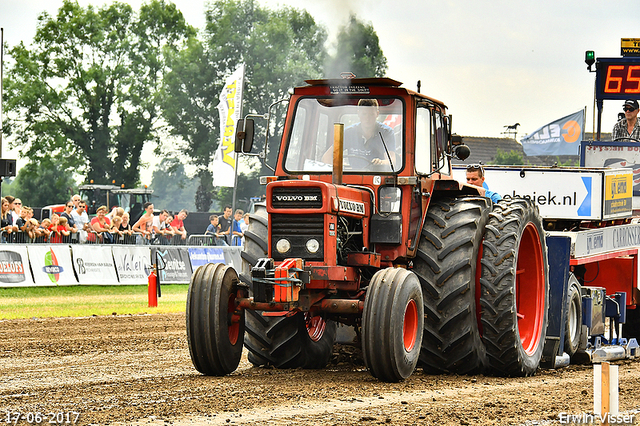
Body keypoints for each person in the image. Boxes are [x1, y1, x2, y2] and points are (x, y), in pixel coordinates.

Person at [321, 99, 396, 171]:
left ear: (377, 114)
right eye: (364, 114)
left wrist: (381, 162)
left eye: (371, 114)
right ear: (358, 113)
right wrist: (337, 174)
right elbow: (326, 157)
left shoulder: (386, 133)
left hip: (377, 178)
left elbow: (392, 161)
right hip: (353, 179)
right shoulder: (348, 133)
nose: (367, 118)